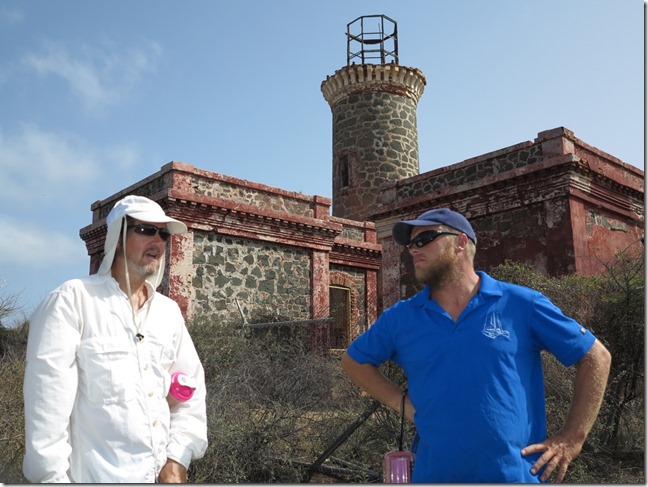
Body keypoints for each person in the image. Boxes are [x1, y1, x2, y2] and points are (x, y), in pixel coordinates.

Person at [341, 208, 611, 483]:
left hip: (515, 476)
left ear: (460, 242)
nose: (413, 249)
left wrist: (572, 438)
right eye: (410, 243)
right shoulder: (401, 317)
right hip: (433, 476)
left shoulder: (521, 304)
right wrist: (402, 404)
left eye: (424, 239)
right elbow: (354, 361)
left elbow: (596, 357)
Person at [23, 195, 208, 483]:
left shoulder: (168, 312)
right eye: (146, 230)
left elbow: (190, 391)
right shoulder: (74, 300)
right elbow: (47, 407)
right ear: (118, 239)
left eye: (163, 234)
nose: (158, 241)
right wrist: (52, 479)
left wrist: (177, 459)